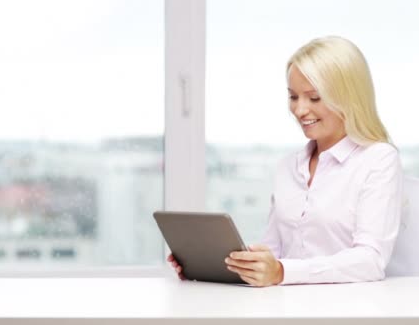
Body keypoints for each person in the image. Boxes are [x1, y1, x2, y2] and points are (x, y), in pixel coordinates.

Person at [168, 36, 405, 286]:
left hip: (345, 308)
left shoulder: (379, 159)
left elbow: (370, 260)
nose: (300, 110)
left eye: (314, 98)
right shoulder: (288, 167)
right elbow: (273, 251)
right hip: (286, 307)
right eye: (293, 97)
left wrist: (282, 272)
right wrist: (212, 265)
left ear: (348, 98)